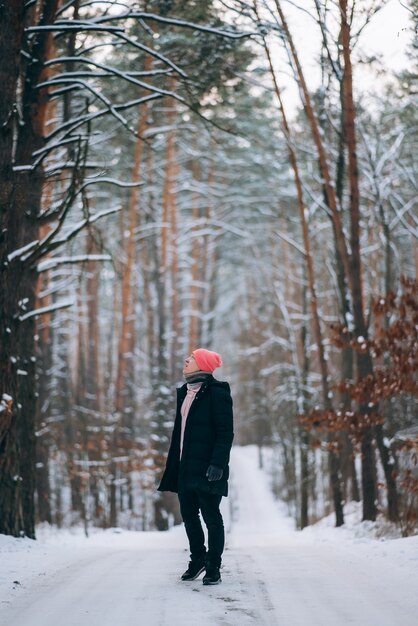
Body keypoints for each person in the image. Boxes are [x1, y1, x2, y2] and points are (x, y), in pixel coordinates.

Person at [158, 348, 234, 585]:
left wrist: (217, 464)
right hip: (185, 468)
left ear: (201, 365)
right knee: (189, 517)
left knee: (212, 517)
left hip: (209, 469)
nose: (186, 360)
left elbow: (225, 433)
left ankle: (213, 567)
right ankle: (198, 560)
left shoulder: (217, 394)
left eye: (191, 358)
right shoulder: (185, 393)